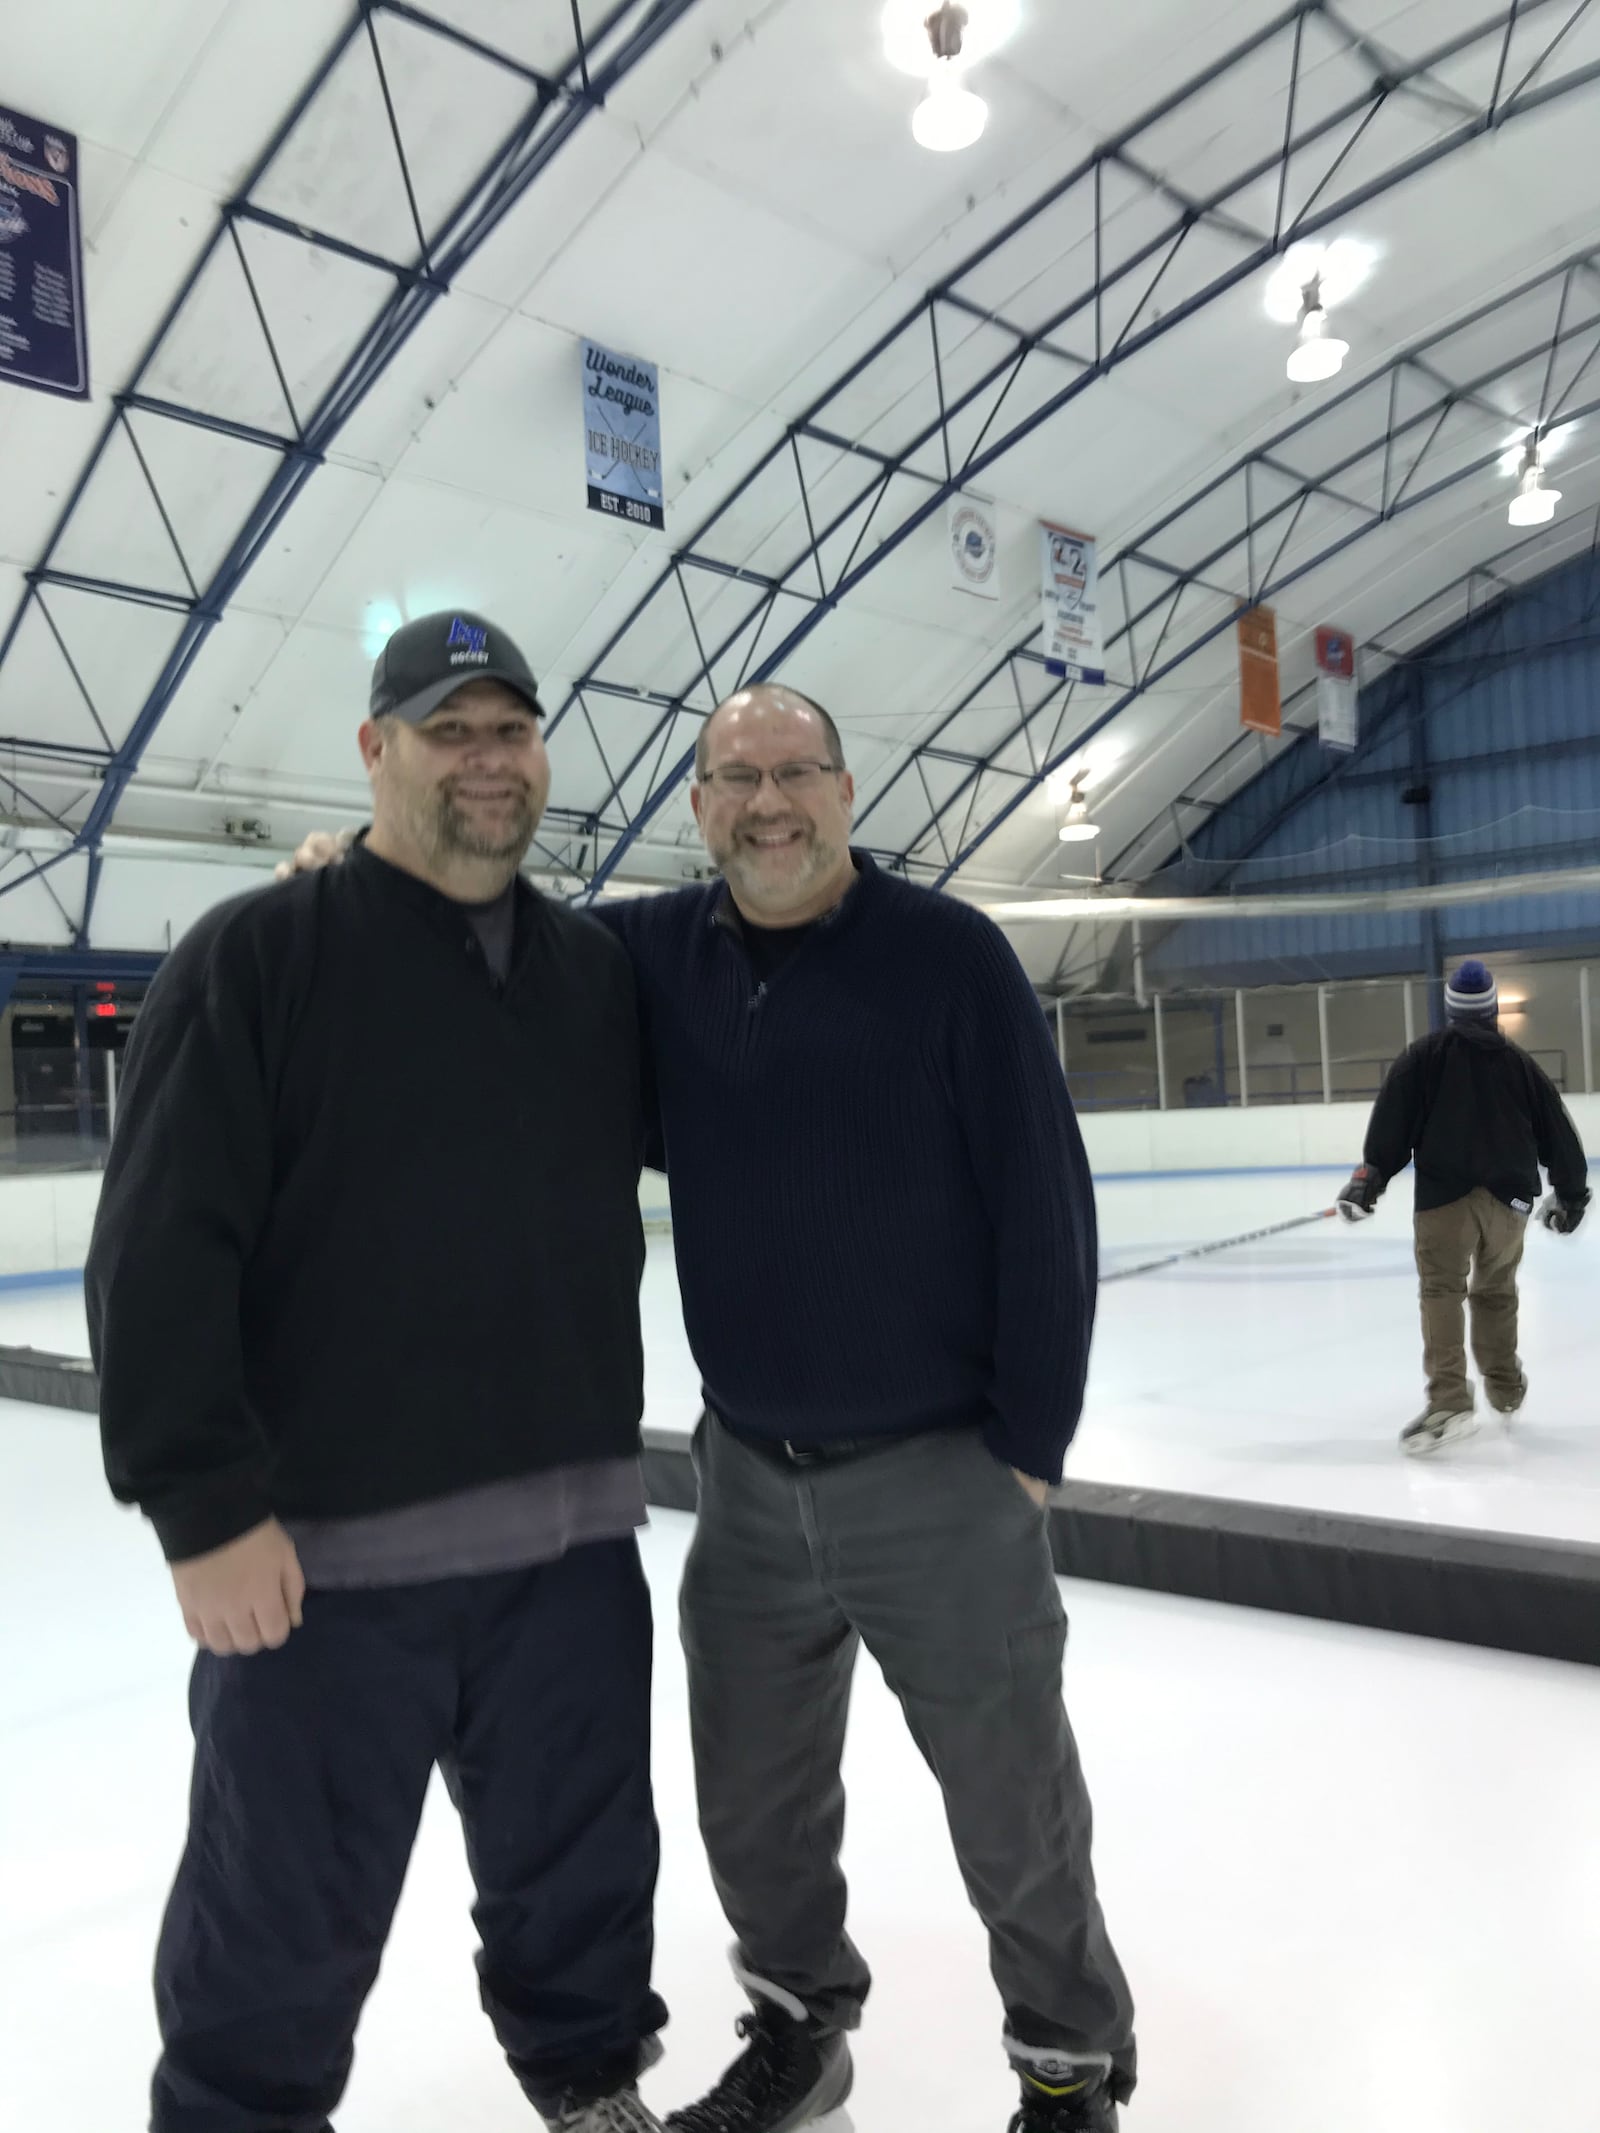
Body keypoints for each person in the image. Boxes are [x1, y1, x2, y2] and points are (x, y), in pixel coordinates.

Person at [285, 681, 1135, 2133]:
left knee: (1012, 1803)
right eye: (734, 779)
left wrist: (1029, 1454)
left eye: (795, 771)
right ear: (697, 805)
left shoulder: (951, 958)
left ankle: (1066, 2065)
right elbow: (491, 942)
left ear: (847, 787)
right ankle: (803, 2026)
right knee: (752, 1801)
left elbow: (1045, 1210)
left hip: (939, 1474)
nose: (767, 804)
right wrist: (354, 885)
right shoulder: (649, 952)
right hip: (745, 1476)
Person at [87, 611, 671, 2133]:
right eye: (448, 731)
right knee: (279, 1906)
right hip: (327, 1570)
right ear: (375, 751)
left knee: (584, 1865)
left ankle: (589, 2078)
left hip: (571, 1550)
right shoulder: (259, 953)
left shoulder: (595, 970)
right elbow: (159, 1246)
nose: (487, 760)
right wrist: (201, 1507)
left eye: (510, 729)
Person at [1337, 956, 1589, 1456]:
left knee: (1441, 1293)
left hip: (1443, 1203)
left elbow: (1391, 1127)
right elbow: (1558, 1134)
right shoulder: (1521, 1065)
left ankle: (1450, 1401)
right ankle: (1506, 1387)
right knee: (1496, 1292)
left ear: (1451, 1011)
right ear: (1492, 1009)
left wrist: (1368, 1181)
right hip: (1508, 1205)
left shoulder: (1423, 1058)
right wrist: (1571, 1196)